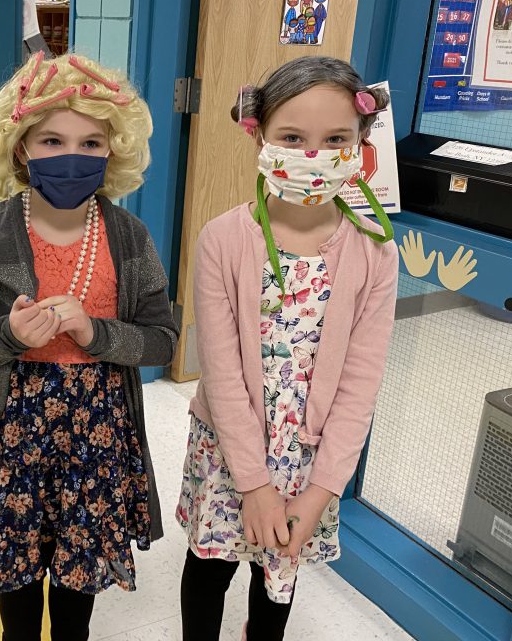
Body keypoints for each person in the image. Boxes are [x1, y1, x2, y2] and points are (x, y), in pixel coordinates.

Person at [0, 51, 178, 641]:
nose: (70, 156)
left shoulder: (128, 236)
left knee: (76, 609)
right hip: (14, 437)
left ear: (113, 150)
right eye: (51, 140)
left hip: (97, 440)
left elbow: (162, 341)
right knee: (18, 609)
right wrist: (7, 335)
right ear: (19, 146)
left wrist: (95, 332)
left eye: (91, 143)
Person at [177, 56, 398, 641]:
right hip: (232, 445)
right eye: (293, 138)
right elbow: (222, 372)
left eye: (334, 140)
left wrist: (323, 489)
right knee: (210, 565)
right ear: (260, 135)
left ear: (360, 146)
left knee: (280, 571)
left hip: (311, 458)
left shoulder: (375, 253)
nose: (312, 155)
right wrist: (252, 484)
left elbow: (360, 382)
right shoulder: (224, 240)